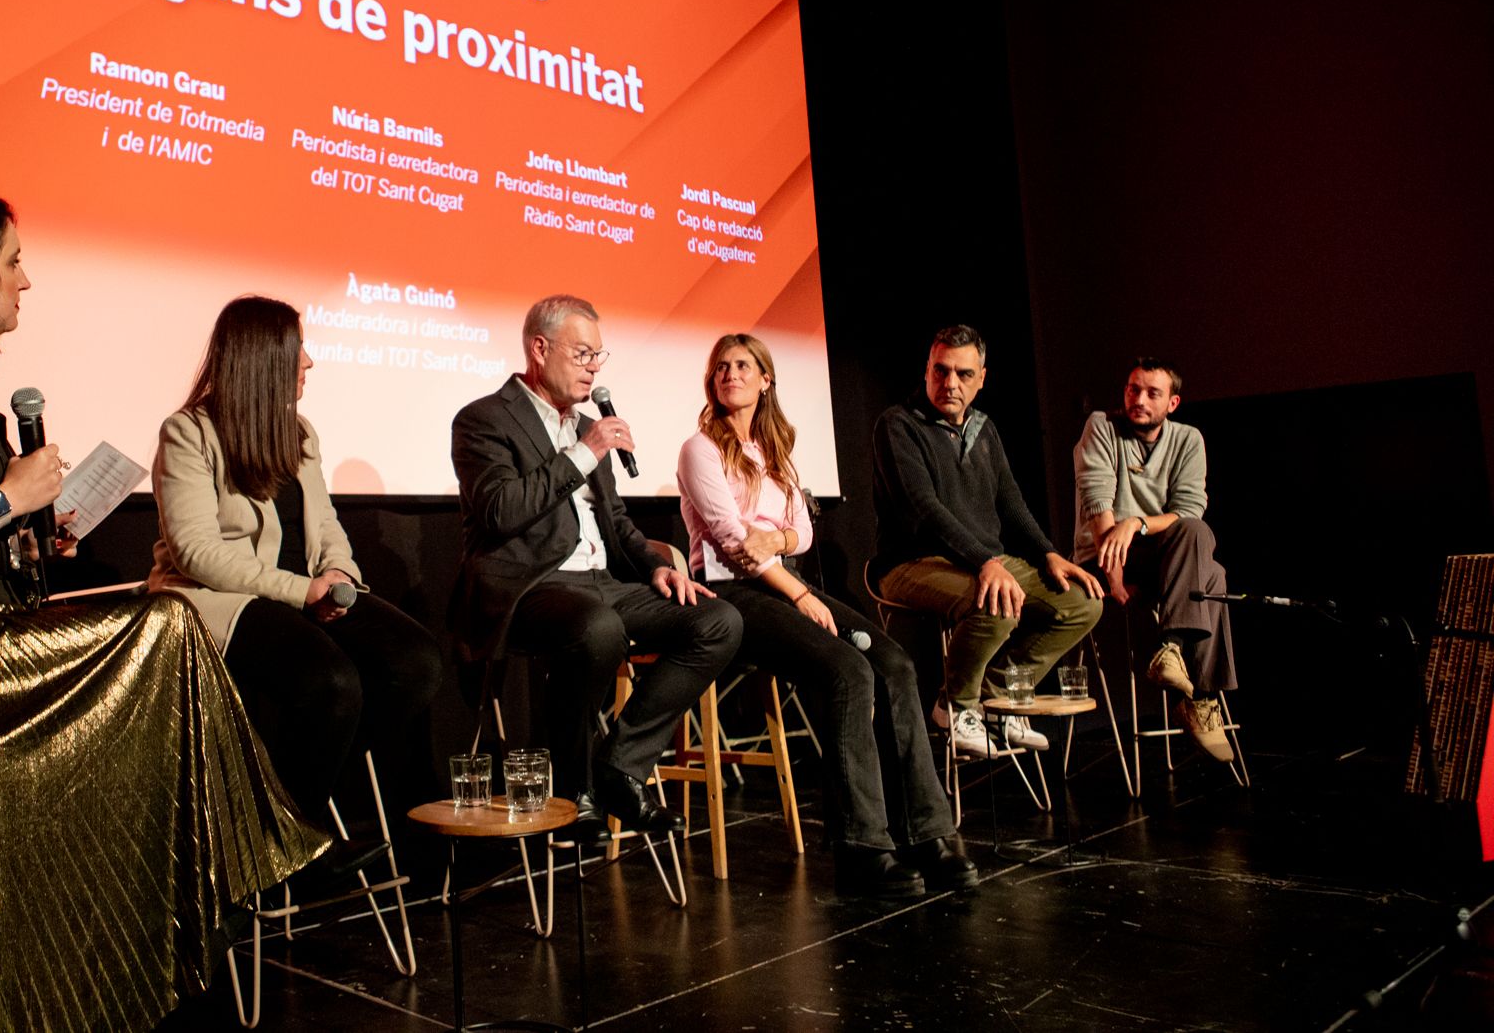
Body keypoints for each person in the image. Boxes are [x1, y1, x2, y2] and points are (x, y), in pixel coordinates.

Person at [0, 184, 325, 1032]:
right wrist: (3, 503)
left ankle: (164, 907)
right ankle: (204, 887)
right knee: (167, 624)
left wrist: (34, 535)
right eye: (12, 262)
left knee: (164, 626)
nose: (24, 282)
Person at [678, 333, 976, 896]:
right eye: (721, 366)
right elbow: (730, 541)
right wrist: (795, 589)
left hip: (782, 581)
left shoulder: (774, 452)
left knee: (894, 664)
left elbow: (805, 530)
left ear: (766, 380)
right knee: (848, 671)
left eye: (743, 365)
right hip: (732, 597)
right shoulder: (700, 449)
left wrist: (779, 538)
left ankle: (926, 834)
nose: (730, 374)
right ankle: (861, 846)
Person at [150, 295, 443, 840]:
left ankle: (295, 798)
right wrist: (303, 590)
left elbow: (326, 524)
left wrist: (342, 578)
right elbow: (195, 552)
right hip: (219, 601)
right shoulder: (188, 432)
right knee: (330, 682)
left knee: (415, 662)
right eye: (300, 349)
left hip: (304, 593)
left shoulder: (300, 433)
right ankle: (285, 839)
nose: (308, 362)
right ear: (265, 359)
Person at [451, 294, 742, 835]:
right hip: (531, 585)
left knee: (717, 620)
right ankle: (572, 785)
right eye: (583, 354)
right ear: (540, 349)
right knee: (596, 626)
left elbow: (617, 520)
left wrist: (654, 567)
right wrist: (583, 453)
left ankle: (618, 767)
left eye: (598, 358)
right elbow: (498, 510)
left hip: (603, 583)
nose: (593, 368)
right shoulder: (484, 419)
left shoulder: (586, 424)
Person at [872, 325, 1104, 757]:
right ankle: (955, 707)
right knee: (995, 604)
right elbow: (923, 508)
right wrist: (985, 561)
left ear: (982, 378)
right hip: (910, 562)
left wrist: (1047, 552)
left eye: (963, 374)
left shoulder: (985, 428)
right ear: (926, 370)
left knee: (1082, 604)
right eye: (940, 371)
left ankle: (997, 699)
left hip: (981, 560)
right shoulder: (898, 425)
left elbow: (1010, 500)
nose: (950, 384)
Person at [1073, 357, 1237, 761]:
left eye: (1152, 393)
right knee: (1212, 577)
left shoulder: (1187, 440)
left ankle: (1171, 648)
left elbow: (1189, 511)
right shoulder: (1102, 427)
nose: (1139, 400)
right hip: (1105, 559)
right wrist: (1114, 578)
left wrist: (1138, 523)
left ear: (1173, 403)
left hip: (1166, 560)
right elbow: (1097, 502)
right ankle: (1201, 701)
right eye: (1133, 389)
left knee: (1198, 537)